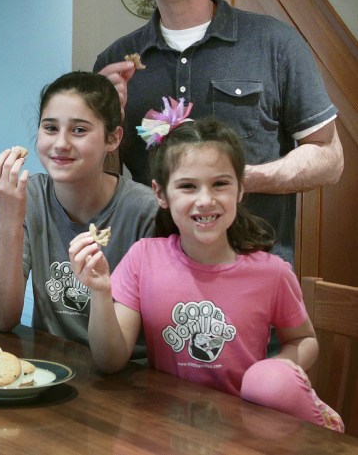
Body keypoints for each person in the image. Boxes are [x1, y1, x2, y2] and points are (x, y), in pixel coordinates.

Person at [93, 0, 343, 266]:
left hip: (255, 273)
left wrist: (241, 178)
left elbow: (330, 158)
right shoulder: (113, 62)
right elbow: (105, 182)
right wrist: (104, 130)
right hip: (151, 276)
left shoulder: (275, 43)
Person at [69, 106, 344, 432]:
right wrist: (100, 292)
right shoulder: (144, 258)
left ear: (240, 190)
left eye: (220, 184)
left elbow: (303, 340)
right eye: (188, 186)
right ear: (161, 194)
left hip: (247, 427)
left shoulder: (272, 272)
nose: (205, 200)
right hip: (167, 426)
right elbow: (110, 361)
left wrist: (275, 375)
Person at [0, 72, 157, 344]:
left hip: (128, 372)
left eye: (79, 130)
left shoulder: (145, 210)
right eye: (50, 128)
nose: (61, 144)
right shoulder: (26, 196)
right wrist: (9, 220)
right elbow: (3, 318)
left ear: (113, 139)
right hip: (51, 365)